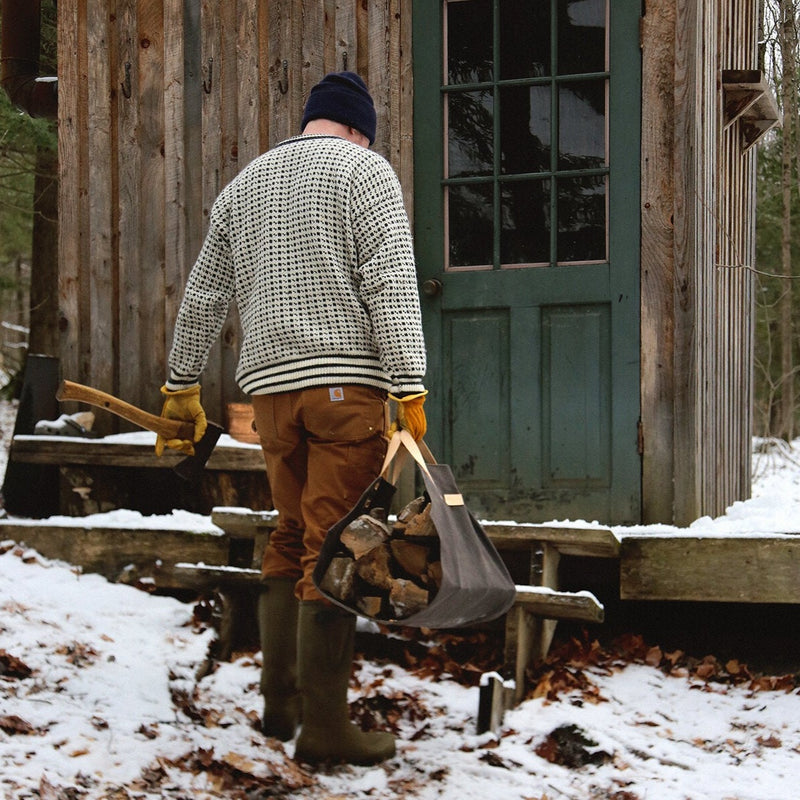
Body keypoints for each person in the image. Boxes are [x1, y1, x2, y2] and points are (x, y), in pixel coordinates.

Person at [155, 71, 427, 766]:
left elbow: (204, 294)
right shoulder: (365, 171)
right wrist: (409, 385)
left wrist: (180, 385)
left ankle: (281, 704)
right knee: (335, 550)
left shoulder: (244, 186)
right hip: (345, 393)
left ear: (311, 120)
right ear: (360, 127)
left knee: (290, 532)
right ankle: (327, 731)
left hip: (271, 401)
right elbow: (389, 279)